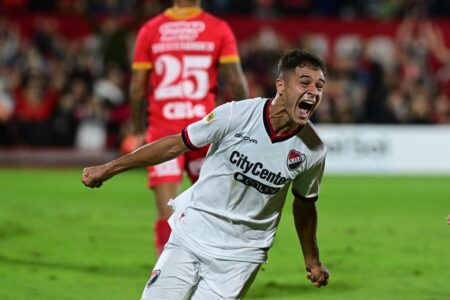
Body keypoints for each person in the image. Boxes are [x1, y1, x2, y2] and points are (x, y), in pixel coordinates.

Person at [83, 49, 329, 299]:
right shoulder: (237, 114)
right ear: (281, 86)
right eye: (305, 82)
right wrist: (108, 168)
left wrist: (312, 259)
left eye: (319, 86)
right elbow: (174, 144)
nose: (313, 92)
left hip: (241, 256)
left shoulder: (313, 149)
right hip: (191, 234)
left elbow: (305, 204)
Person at [128, 0, 249, 255]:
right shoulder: (218, 28)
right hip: (204, 131)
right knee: (215, 211)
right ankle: (219, 275)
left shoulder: (151, 29)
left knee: (168, 217)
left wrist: (138, 129)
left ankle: (166, 284)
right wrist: (244, 125)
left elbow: (138, 89)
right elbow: (237, 83)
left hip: (163, 132)